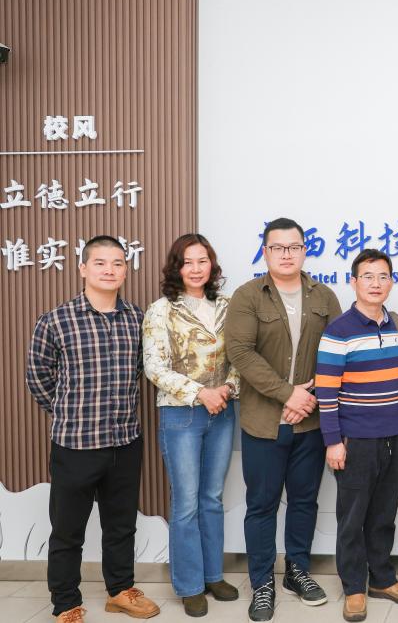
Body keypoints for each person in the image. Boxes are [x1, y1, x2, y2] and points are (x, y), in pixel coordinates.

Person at [26, 235, 161, 623]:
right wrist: (69, 413)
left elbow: (142, 369)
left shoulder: (138, 319)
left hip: (125, 440)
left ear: (126, 270)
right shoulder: (55, 320)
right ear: (83, 268)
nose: (109, 270)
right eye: (100, 263)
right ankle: (65, 602)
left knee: (121, 525)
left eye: (117, 263)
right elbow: (38, 378)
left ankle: (120, 591)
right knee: (67, 530)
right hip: (75, 445)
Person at [225, 218, 341, 622]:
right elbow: (241, 353)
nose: (286, 254)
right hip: (263, 422)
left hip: (311, 421)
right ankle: (262, 582)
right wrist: (287, 393)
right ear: (266, 252)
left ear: (305, 250)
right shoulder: (247, 296)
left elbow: (336, 353)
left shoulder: (324, 296)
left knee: (305, 501)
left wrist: (308, 396)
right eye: (278, 248)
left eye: (294, 247)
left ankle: (297, 571)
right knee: (261, 505)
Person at [315, 249, 398, 622]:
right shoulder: (338, 331)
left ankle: (382, 578)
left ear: (391, 281)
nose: (376, 284)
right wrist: (333, 441)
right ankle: (354, 588)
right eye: (368, 276)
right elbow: (326, 392)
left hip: (395, 436)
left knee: (383, 514)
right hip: (355, 441)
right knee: (352, 518)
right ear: (354, 281)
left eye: (383, 276)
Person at [142, 233, 241, 617]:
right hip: (181, 413)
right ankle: (189, 585)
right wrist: (201, 393)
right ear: (176, 267)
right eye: (188, 262)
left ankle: (213, 575)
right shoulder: (161, 310)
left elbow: (241, 357)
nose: (196, 269)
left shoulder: (228, 305)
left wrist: (227, 389)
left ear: (212, 265)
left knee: (212, 498)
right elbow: (154, 367)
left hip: (223, 410)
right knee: (186, 502)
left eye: (202, 261)